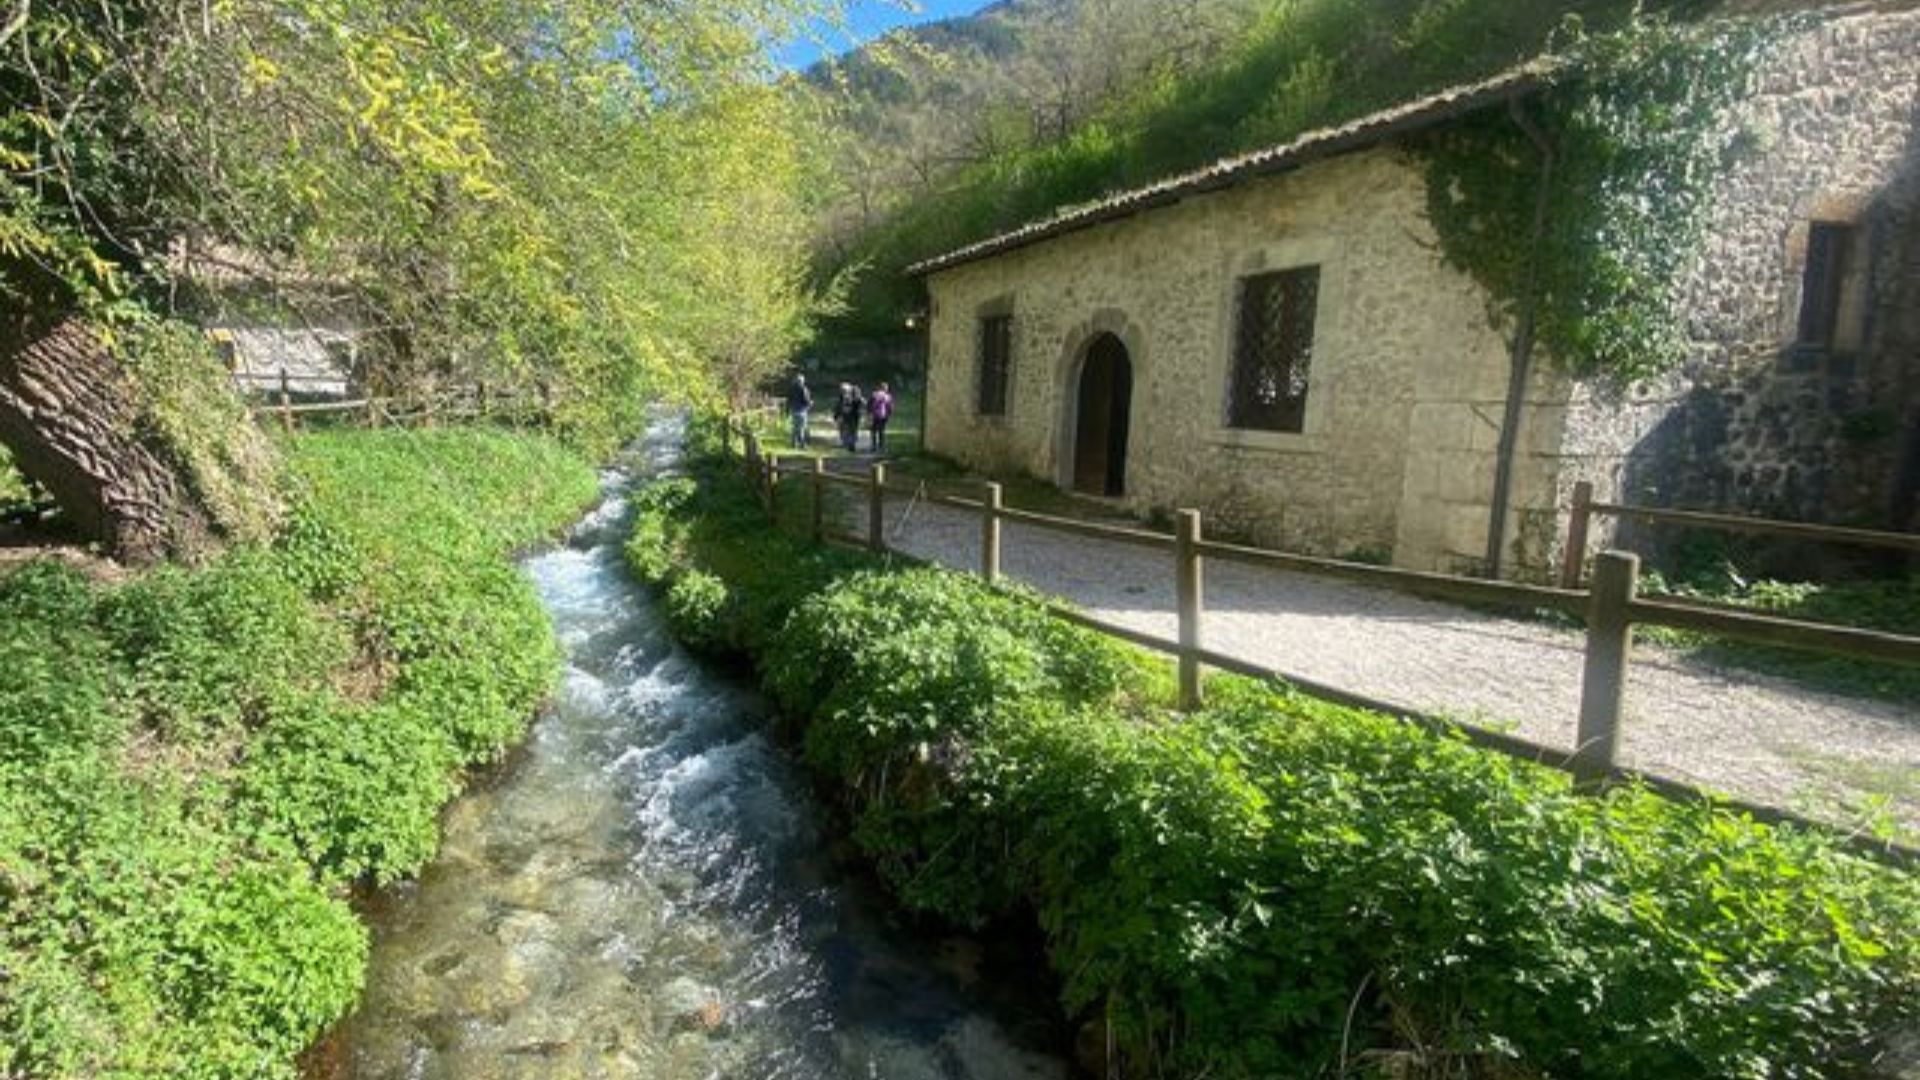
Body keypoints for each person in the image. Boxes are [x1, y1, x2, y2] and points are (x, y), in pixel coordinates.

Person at [834, 382, 864, 452]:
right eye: (842, 390)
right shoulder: (843, 397)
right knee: (848, 430)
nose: (843, 391)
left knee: (851, 430)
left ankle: (851, 444)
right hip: (848, 416)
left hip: (852, 416)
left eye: (844, 390)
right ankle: (849, 443)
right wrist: (836, 415)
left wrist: (836, 415)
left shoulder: (854, 396)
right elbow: (838, 407)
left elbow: (860, 403)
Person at [785, 373, 812, 449]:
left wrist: (787, 411)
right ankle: (802, 444)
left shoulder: (791, 389)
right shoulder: (804, 389)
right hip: (801, 410)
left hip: (793, 410)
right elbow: (806, 400)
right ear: (802, 381)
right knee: (801, 428)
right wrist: (810, 403)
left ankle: (793, 443)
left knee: (795, 428)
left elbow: (788, 400)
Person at [867, 382, 894, 453]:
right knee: (881, 431)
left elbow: (869, 405)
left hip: (875, 415)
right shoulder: (888, 396)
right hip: (883, 416)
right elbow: (890, 407)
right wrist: (889, 415)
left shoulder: (874, 395)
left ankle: (873, 446)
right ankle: (881, 446)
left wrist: (869, 413)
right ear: (885, 389)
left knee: (873, 431)